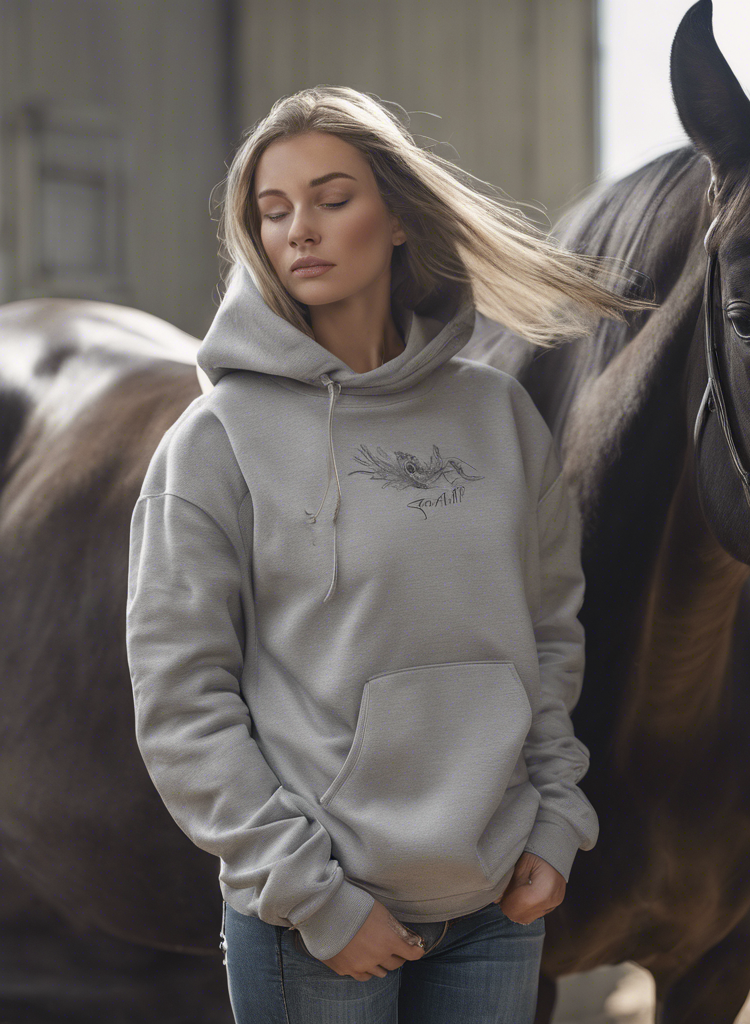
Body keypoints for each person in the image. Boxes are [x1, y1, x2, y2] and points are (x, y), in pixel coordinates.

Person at [125, 85, 655, 1024]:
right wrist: (313, 896)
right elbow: (181, 701)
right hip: (318, 918)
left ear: (400, 217)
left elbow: (547, 638)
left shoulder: (498, 415)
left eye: (332, 199)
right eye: (274, 211)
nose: (300, 230)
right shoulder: (215, 441)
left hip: (496, 899)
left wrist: (555, 818)